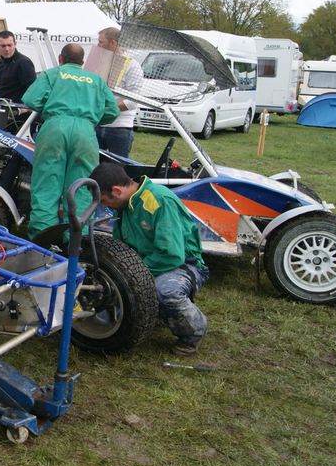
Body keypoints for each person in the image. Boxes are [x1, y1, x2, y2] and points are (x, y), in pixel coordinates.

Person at [89, 162, 209, 355]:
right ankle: (156, 313)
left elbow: (171, 255)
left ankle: (194, 331)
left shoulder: (158, 201)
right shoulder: (125, 206)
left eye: (104, 200)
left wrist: (131, 275)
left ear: (117, 191)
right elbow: (121, 248)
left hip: (183, 265)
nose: (104, 206)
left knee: (165, 291)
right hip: (146, 263)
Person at [21, 43, 118, 237]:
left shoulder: (52, 74)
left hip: (54, 128)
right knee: (82, 187)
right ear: (82, 62)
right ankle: (75, 241)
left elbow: (30, 99)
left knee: (46, 185)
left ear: (60, 58)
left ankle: (42, 240)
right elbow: (113, 111)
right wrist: (92, 118)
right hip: (85, 133)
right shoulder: (97, 81)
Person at [94, 27, 144, 158]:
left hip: (120, 128)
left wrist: (108, 110)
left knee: (117, 171)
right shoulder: (99, 63)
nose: (98, 46)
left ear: (113, 43)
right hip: (96, 124)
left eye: (101, 42)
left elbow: (134, 101)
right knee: (93, 167)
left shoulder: (132, 65)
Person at [0, 30, 37, 102]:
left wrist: (22, 109)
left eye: (9, 45)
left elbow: (33, 91)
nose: (7, 49)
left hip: (17, 110)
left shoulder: (24, 63)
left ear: (15, 44)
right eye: (3, 46)